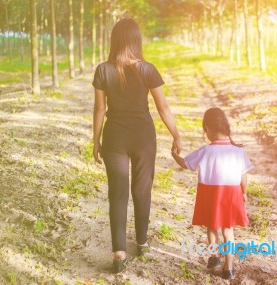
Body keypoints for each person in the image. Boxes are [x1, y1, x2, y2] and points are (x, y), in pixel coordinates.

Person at [92, 18, 182, 273]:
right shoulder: (147, 70)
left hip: (114, 138)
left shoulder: (102, 70)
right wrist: (176, 134)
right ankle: (141, 242)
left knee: (117, 194)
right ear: (136, 40)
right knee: (142, 190)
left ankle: (118, 253)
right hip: (144, 136)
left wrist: (96, 140)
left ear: (114, 40)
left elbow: (100, 108)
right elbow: (163, 107)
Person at [171, 107, 252, 280]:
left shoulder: (206, 150)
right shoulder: (238, 152)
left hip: (211, 195)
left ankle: (214, 256)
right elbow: (243, 177)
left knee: (212, 227)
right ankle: (229, 268)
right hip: (231, 195)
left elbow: (185, 164)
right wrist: (243, 193)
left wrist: (173, 154)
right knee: (228, 232)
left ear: (207, 128)